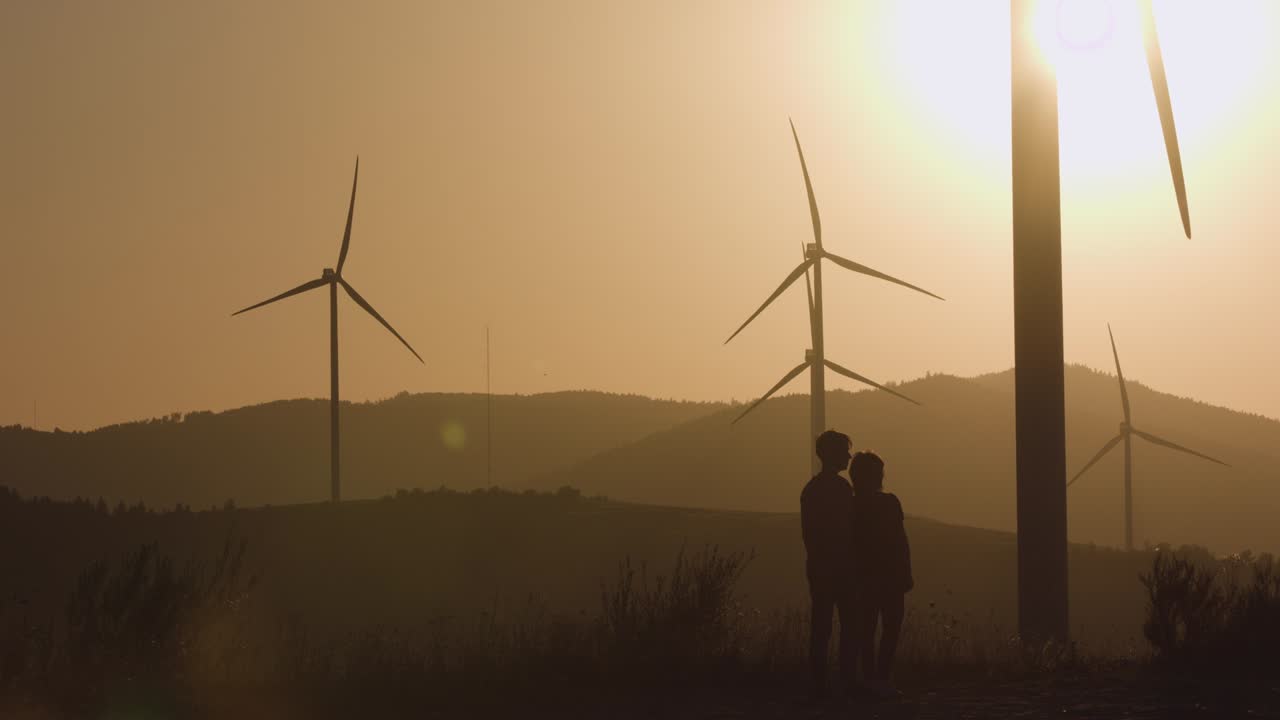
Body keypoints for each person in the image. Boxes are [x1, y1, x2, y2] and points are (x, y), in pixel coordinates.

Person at [850, 450, 913, 697]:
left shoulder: (850, 505)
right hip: (890, 576)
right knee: (890, 627)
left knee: (866, 628)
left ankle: (868, 678)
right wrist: (906, 571)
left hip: (863, 576)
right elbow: (900, 539)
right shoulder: (890, 503)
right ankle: (882, 678)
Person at [800, 430, 856, 700]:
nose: (848, 456)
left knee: (821, 626)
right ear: (832, 454)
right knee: (849, 624)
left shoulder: (811, 490)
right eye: (845, 451)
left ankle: (819, 683)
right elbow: (851, 528)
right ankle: (847, 681)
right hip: (840, 567)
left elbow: (809, 535)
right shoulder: (843, 489)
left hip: (820, 566)